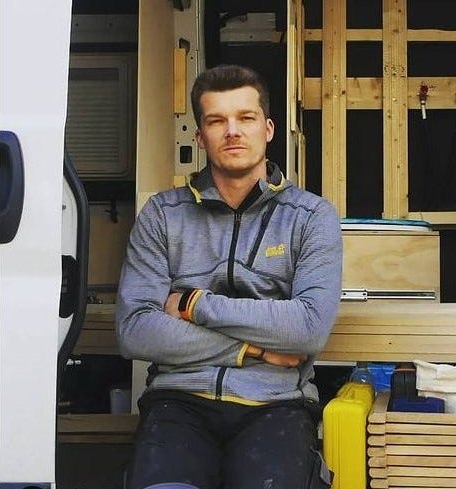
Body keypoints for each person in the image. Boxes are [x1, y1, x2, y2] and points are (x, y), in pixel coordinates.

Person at [116, 64, 342, 489]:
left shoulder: (311, 216)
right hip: (179, 402)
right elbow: (135, 331)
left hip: (276, 404)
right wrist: (255, 350)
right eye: (217, 121)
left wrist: (195, 304)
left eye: (246, 117)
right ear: (201, 136)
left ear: (268, 129)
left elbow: (308, 329)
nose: (233, 131)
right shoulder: (163, 215)